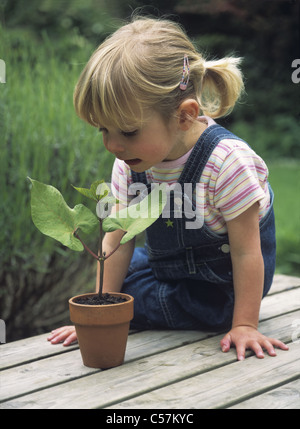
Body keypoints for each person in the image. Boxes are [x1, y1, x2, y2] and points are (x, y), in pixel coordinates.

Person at [48, 16, 288, 361]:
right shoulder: (128, 164)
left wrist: (246, 324)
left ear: (185, 116)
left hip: (220, 288)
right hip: (167, 268)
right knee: (117, 281)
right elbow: (116, 240)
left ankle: (181, 310)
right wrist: (98, 312)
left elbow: (247, 253)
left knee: (155, 299)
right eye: (103, 130)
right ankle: (138, 303)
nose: (113, 145)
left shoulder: (226, 163)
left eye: (128, 132)